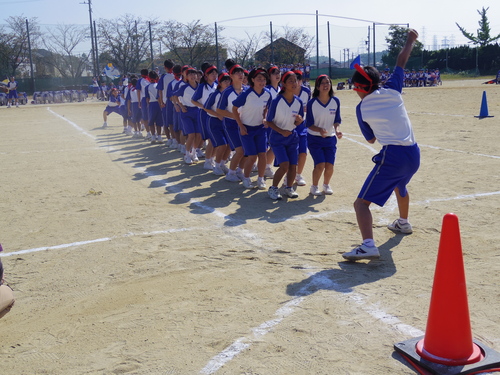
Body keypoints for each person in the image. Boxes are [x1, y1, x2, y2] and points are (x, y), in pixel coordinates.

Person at [342, 29, 420, 261]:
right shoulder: (394, 88)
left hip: (393, 156)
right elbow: (401, 60)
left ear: (360, 88)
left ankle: (368, 245)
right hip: (413, 154)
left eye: (355, 87)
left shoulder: (362, 107)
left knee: (361, 204)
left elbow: (370, 140)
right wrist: (410, 40)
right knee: (400, 186)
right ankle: (403, 222)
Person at [265, 71, 304, 200]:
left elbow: (297, 122)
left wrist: (299, 120)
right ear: (284, 84)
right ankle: (273, 188)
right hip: (277, 138)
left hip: (292, 137)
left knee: (293, 165)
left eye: (296, 81)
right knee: (284, 165)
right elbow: (269, 121)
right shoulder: (276, 101)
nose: (294, 83)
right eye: (290, 81)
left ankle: (288, 188)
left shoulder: (298, 101)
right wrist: (281, 131)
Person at [232, 68, 272, 190]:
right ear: (253, 80)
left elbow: (267, 108)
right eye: (259, 79)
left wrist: (265, 118)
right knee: (252, 156)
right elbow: (234, 109)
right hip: (247, 129)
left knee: (263, 155)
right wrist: (241, 126)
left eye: (264, 79)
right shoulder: (246, 94)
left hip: (260, 128)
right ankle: (246, 178)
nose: (262, 82)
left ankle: (260, 179)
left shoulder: (267, 94)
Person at [305, 74, 342, 196]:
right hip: (314, 138)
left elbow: (337, 120)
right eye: (323, 83)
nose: (326, 85)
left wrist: (337, 130)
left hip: (330, 138)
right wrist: (319, 130)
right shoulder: (312, 103)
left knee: (330, 165)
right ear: (317, 86)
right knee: (320, 164)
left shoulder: (335, 101)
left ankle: (326, 185)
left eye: (328, 83)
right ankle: (314, 186)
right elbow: (309, 124)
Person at [216, 60, 246, 182]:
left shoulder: (247, 90)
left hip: (245, 124)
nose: (240, 75)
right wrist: (234, 116)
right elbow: (219, 110)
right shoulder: (227, 92)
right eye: (236, 73)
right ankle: (231, 173)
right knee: (240, 151)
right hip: (231, 125)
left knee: (247, 151)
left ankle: (240, 171)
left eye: (242, 72)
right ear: (231, 76)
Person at [204, 73, 232, 176]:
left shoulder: (230, 94)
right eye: (225, 81)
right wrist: (217, 114)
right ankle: (216, 165)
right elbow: (206, 107)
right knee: (222, 144)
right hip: (214, 122)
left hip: (227, 122)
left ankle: (222, 163)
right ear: (219, 83)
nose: (227, 83)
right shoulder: (215, 94)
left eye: (229, 81)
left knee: (229, 144)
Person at [192, 63, 218, 170]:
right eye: (211, 73)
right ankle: (207, 160)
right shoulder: (202, 86)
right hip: (205, 115)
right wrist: (203, 106)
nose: (214, 75)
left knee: (216, 139)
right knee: (211, 139)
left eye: (215, 73)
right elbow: (193, 100)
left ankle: (212, 159)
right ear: (206, 75)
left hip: (216, 114)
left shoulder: (217, 85)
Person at [174, 67, 201, 164]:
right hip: (186, 112)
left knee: (198, 135)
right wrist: (180, 105)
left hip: (197, 111)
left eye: (194, 74)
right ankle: (187, 154)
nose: (193, 76)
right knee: (191, 135)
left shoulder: (200, 86)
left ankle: (194, 153)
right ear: (187, 77)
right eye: (190, 74)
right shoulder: (184, 87)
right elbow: (175, 96)